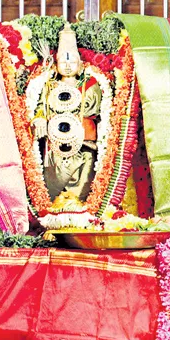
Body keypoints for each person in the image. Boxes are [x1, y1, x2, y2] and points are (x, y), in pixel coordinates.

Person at [31, 23, 102, 205]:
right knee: (53, 189)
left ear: (80, 64)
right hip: (55, 147)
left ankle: (79, 212)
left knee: (81, 187)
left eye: (72, 62)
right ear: (56, 64)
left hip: (84, 146)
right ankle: (53, 212)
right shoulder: (49, 85)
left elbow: (97, 113)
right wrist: (40, 119)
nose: (68, 66)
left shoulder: (90, 85)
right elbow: (40, 108)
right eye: (63, 62)